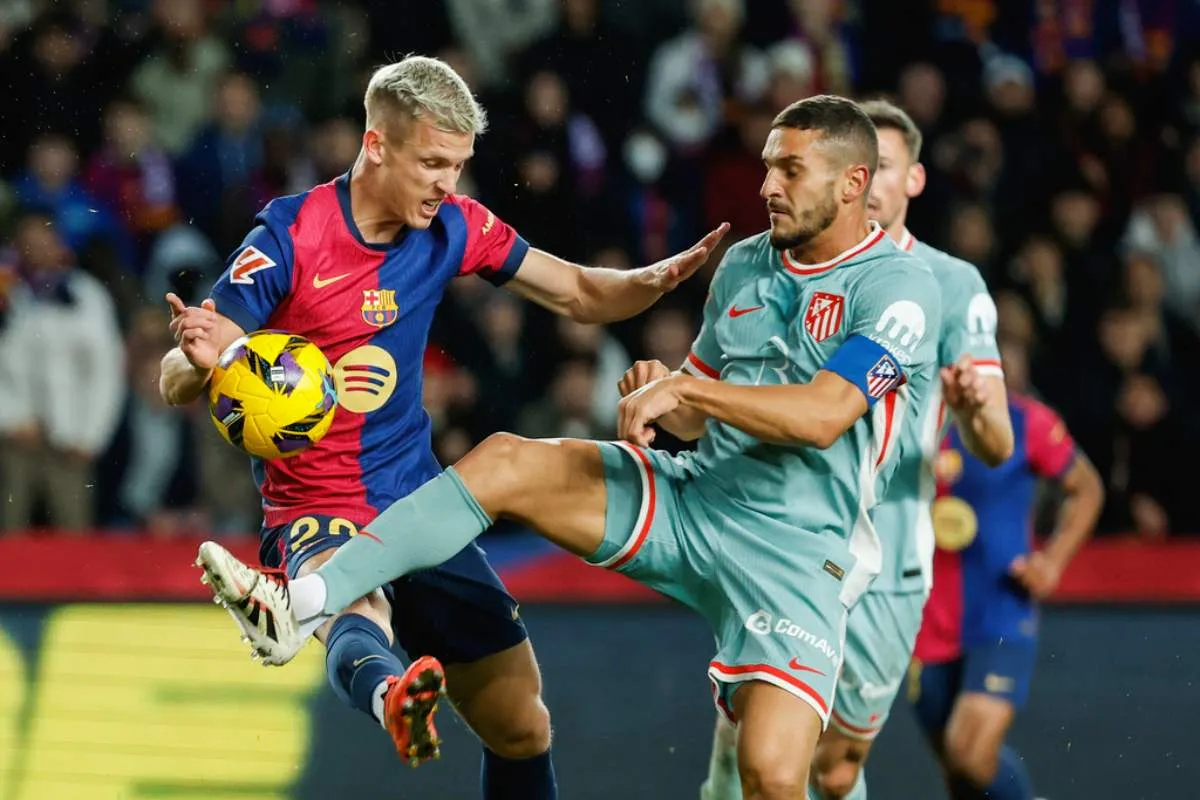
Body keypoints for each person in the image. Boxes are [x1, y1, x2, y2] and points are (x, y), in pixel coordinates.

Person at [197, 94, 944, 800]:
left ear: (853, 184)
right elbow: (698, 416)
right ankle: (299, 601)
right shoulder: (747, 264)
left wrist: (687, 393)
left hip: (796, 552)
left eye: (789, 171)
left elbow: (822, 414)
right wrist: (665, 394)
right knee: (507, 460)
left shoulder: (900, 287)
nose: (767, 187)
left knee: (774, 777)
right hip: (693, 502)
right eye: (767, 166)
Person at [162, 54, 728, 797]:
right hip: (319, 505)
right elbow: (179, 375)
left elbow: (581, 294)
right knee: (351, 606)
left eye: (457, 165)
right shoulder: (290, 236)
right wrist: (201, 359)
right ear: (375, 146)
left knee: (523, 725)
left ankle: (388, 682)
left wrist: (652, 281)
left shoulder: (455, 226)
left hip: (423, 504)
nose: (447, 184)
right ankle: (390, 698)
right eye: (432, 162)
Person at [699, 99, 1017, 800]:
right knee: (770, 748)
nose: (872, 188)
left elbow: (998, 444)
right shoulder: (783, 261)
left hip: (890, 550)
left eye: (889, 170)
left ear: (911, 181)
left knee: (836, 767)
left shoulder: (951, 284)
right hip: (786, 535)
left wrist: (972, 410)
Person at [910, 339, 1104, 800]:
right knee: (960, 776)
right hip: (923, 619)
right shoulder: (915, 425)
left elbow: (1087, 488)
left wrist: (1051, 562)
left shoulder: (1028, 421)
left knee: (969, 753)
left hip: (1000, 610)